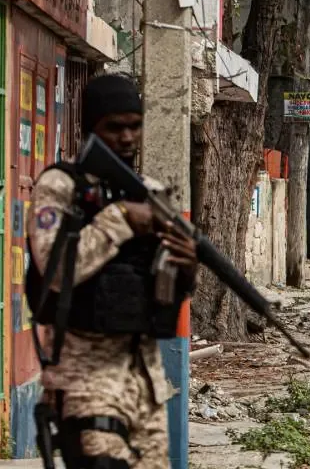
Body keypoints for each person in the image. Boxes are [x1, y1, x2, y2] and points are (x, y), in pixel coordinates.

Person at [26, 74, 200, 469]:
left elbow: (163, 288)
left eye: (134, 126)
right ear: (90, 129)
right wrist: (119, 219)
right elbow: (57, 271)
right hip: (86, 379)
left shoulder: (149, 191)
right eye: (114, 128)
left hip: (145, 382)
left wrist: (186, 268)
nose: (126, 137)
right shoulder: (60, 187)